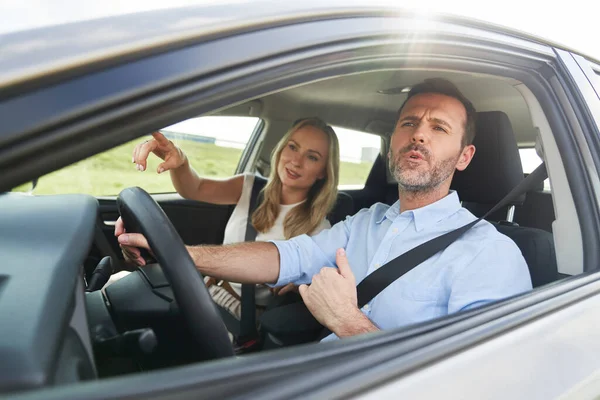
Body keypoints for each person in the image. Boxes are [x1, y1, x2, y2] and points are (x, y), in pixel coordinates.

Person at [117, 78, 533, 341]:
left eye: (438, 128)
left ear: (464, 157)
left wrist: (348, 323)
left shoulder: (489, 255)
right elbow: (289, 256)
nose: (418, 135)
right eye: (408, 123)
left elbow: (474, 384)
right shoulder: (367, 222)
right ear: (394, 142)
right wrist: (179, 254)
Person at [117, 117, 340, 321]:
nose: (296, 161)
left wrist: (299, 285)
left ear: (323, 172)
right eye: (292, 147)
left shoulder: (320, 230)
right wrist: (181, 162)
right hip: (205, 290)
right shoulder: (250, 187)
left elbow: (321, 290)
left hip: (243, 319)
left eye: (312, 157)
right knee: (118, 288)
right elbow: (195, 188)